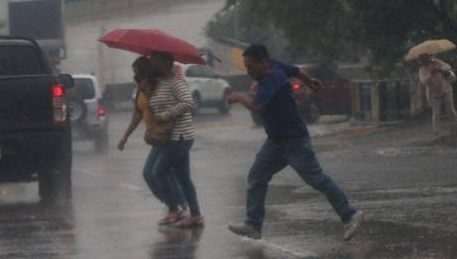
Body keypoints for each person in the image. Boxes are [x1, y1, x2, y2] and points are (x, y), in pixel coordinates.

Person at [227, 44, 364, 241]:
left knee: (317, 179)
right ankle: (253, 224)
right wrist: (310, 82)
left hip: (294, 140)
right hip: (275, 142)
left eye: (251, 66)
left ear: (263, 62)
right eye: (246, 67)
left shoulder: (272, 78)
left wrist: (240, 96)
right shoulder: (275, 67)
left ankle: (350, 214)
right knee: (256, 177)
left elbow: (258, 105)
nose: (248, 71)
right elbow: (297, 70)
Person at [118, 57, 187, 224]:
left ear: (145, 71)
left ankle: (176, 206)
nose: (135, 77)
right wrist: (125, 137)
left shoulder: (158, 86)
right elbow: (137, 114)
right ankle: (175, 204)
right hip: (156, 137)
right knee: (154, 173)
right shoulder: (141, 89)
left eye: (137, 73)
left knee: (155, 172)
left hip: (167, 134)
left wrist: (148, 91)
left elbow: (163, 106)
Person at [147, 51, 204, 228]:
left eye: (155, 61)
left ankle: (177, 208)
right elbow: (156, 104)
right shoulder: (162, 83)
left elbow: (187, 102)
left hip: (180, 136)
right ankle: (195, 215)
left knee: (158, 172)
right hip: (170, 137)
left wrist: (165, 115)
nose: (153, 65)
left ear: (165, 63)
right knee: (183, 178)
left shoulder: (176, 82)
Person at [418, 53, 457, 135]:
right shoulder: (422, 69)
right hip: (433, 93)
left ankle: (456, 127)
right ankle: (436, 131)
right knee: (436, 113)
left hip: (446, 88)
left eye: (426, 57)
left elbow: (448, 67)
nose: (425, 59)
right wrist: (430, 74)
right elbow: (423, 81)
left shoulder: (437, 62)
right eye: (422, 58)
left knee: (451, 110)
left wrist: (440, 69)